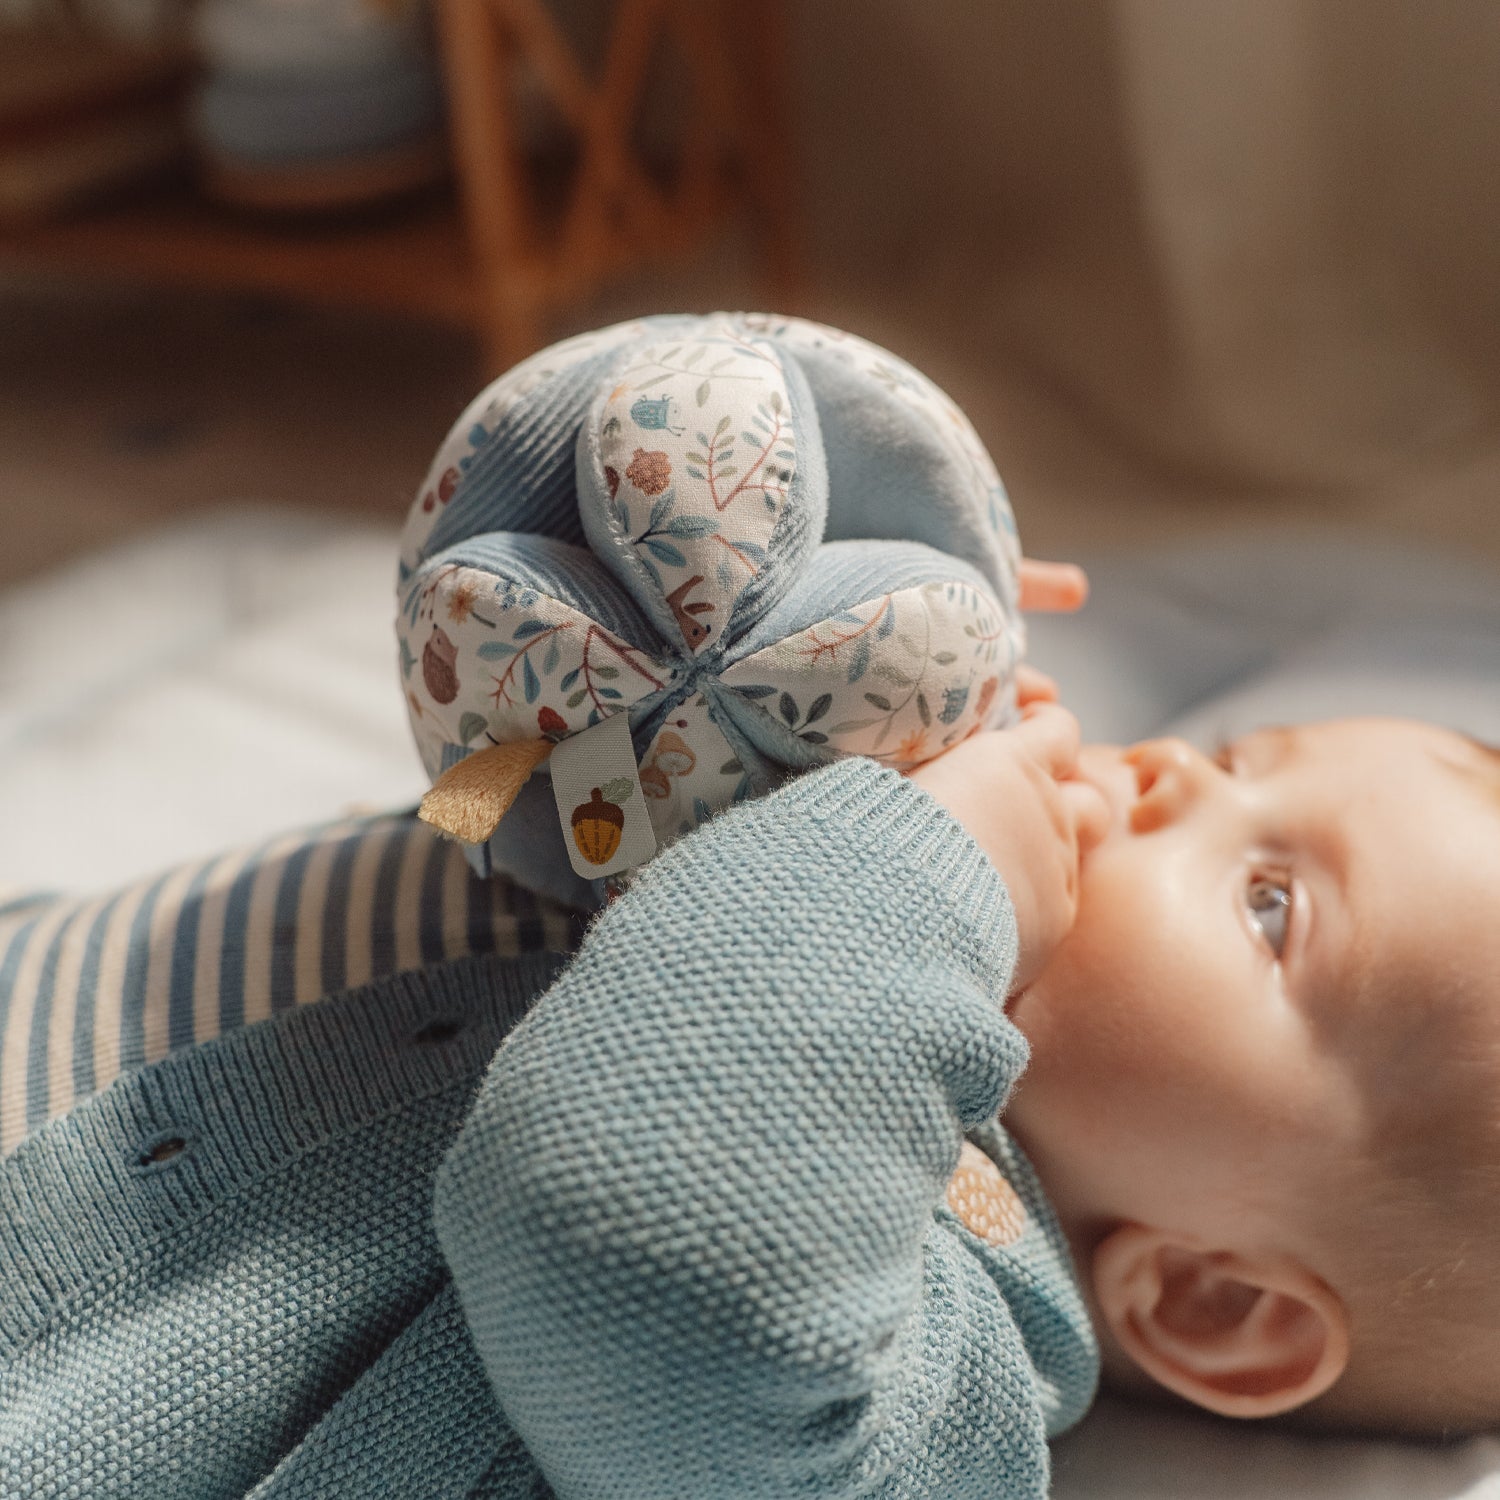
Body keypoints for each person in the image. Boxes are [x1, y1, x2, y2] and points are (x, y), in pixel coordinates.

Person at [3, 562, 1498, 1497]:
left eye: (1270, 905)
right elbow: (480, 817)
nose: (1163, 776)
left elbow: (621, 1227)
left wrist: (921, 864)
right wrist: (826, 640)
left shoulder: (925, 1359)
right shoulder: (810, 884)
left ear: (1213, 1305)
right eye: (1232, 757)